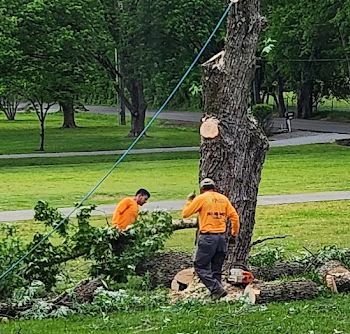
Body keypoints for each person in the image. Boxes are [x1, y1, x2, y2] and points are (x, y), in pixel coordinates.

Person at [182, 178, 240, 299]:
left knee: (200, 266)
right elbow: (235, 217)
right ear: (214, 187)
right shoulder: (223, 199)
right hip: (221, 238)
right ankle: (217, 294)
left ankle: (216, 289)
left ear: (202, 189)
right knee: (216, 267)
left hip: (207, 237)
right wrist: (234, 234)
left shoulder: (201, 198)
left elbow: (185, 214)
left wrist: (189, 201)